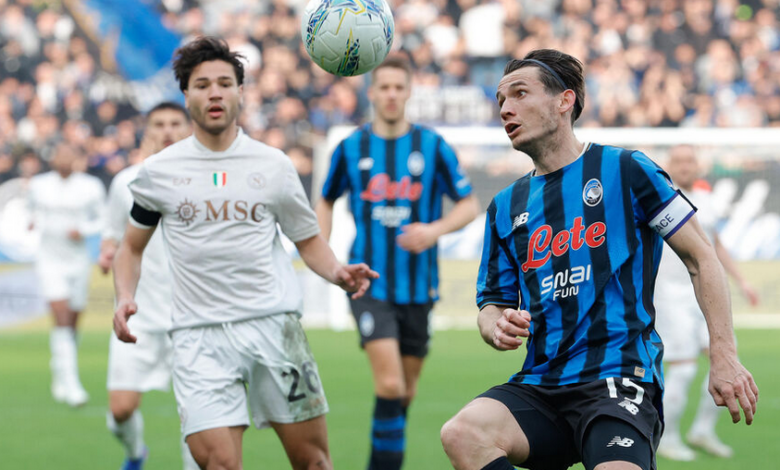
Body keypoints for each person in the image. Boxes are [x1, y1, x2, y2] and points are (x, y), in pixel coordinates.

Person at [439, 49, 759, 470]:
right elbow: (491, 304)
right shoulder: (505, 205)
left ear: (564, 100)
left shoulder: (627, 170)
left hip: (619, 378)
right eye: (501, 100)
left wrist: (724, 353)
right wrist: (496, 325)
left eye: (519, 93)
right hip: (542, 384)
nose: (505, 109)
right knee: (463, 434)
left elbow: (702, 256)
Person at [111, 36, 378, 470]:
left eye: (224, 83)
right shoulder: (158, 172)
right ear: (186, 96)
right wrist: (125, 295)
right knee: (219, 464)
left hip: (274, 328)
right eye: (202, 85)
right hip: (199, 338)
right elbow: (131, 247)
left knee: (313, 462)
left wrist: (337, 272)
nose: (214, 93)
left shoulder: (273, 165)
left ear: (240, 92)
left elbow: (307, 239)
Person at [315, 54, 480, 470]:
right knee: (389, 385)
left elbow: (468, 204)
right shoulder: (351, 147)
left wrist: (434, 230)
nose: (390, 95)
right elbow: (326, 199)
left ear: (408, 92)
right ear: (372, 93)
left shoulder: (432, 146)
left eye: (398, 87)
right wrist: (326, 254)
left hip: (420, 285)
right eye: (383, 87)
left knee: (404, 393)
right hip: (368, 283)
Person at [98, 102, 198, 470]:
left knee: (197, 415)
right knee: (120, 409)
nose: (167, 130)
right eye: (159, 124)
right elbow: (112, 236)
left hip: (192, 318)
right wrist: (107, 253)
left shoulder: (204, 180)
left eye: (175, 123)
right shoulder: (125, 182)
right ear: (147, 131)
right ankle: (135, 452)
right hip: (137, 314)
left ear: (188, 128)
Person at [654, 144, 760, 461]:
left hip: (705, 295)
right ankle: (667, 437)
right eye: (678, 161)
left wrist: (742, 281)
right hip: (670, 295)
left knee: (726, 360)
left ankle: (702, 430)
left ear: (698, 165)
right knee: (684, 369)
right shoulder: (658, 196)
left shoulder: (707, 200)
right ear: (669, 165)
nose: (685, 166)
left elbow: (715, 246)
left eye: (690, 161)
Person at [27, 142, 105, 407]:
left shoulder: (91, 187)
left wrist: (83, 230)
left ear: (76, 159)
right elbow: (29, 210)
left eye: (69, 155)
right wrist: (31, 222)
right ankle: (72, 384)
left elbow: (103, 219)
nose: (64, 159)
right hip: (49, 260)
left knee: (72, 320)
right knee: (60, 316)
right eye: (60, 155)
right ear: (53, 159)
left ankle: (59, 370)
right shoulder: (39, 185)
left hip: (78, 260)